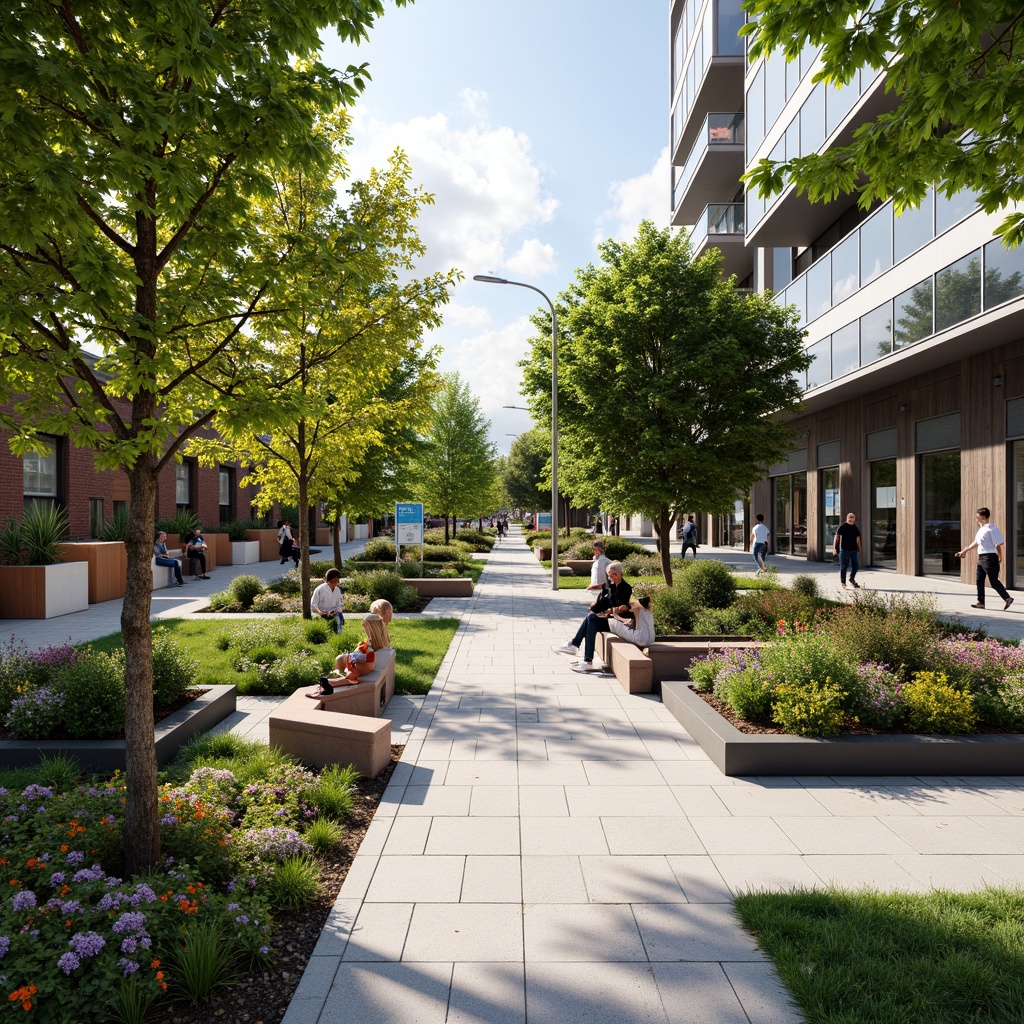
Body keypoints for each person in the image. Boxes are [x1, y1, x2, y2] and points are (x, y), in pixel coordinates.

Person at [553, 561, 633, 672]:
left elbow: (621, 608)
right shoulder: (612, 586)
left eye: (611, 575)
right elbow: (605, 602)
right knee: (591, 619)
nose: (610, 578)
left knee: (591, 619)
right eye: (609, 576)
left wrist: (607, 612)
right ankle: (585, 658)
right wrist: (594, 608)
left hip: (618, 623)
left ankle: (577, 647)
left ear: (618, 574)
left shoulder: (625, 589)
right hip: (610, 620)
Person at [956, 507, 1015, 611]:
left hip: (990, 558)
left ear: (983, 517)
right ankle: (981, 602)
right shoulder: (981, 530)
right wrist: (964, 551)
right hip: (982, 557)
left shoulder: (992, 528)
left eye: (977, 516)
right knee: (979, 580)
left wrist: (1000, 557)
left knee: (994, 581)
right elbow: (976, 543)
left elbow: (998, 543)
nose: (976, 517)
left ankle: (1008, 598)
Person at [833, 512, 863, 589]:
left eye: (852, 520)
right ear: (847, 519)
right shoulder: (842, 527)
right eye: (850, 520)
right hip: (844, 550)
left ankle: (851, 579)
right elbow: (837, 538)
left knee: (856, 566)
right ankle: (843, 582)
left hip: (854, 550)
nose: (851, 522)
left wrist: (859, 550)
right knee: (844, 567)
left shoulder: (855, 528)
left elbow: (858, 540)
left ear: (854, 520)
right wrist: (835, 549)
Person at [311, 568, 345, 632]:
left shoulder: (337, 590)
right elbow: (313, 604)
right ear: (331, 578)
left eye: (338, 578)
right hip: (321, 612)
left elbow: (339, 605)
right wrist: (320, 612)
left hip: (332, 612)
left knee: (339, 617)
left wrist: (336, 611)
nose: (337, 580)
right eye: (336, 578)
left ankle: (339, 634)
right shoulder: (320, 589)